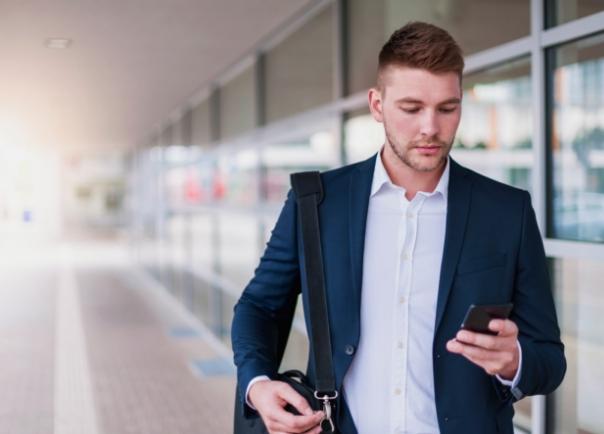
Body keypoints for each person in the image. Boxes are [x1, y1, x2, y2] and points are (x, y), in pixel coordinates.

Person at [231, 21, 566, 434]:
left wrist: (515, 361)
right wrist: (258, 384)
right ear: (376, 105)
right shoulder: (317, 203)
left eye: (448, 108)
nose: (430, 127)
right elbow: (260, 306)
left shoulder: (507, 211)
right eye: (411, 108)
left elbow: (549, 360)